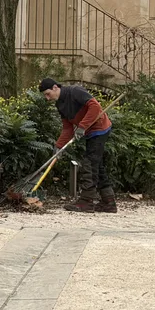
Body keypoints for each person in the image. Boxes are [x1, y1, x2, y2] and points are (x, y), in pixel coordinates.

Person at [39, 78, 116, 213]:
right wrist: (58, 147)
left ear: (55, 87)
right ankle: (108, 202)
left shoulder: (75, 91)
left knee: (90, 164)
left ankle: (86, 202)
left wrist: (82, 126)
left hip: (99, 129)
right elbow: (67, 128)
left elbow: (95, 107)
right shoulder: (60, 105)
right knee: (97, 165)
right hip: (88, 131)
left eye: (48, 94)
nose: (47, 98)